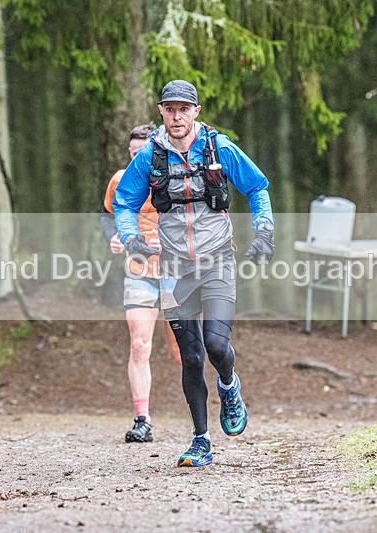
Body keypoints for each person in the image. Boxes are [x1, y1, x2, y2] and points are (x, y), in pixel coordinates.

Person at [112, 80, 275, 466]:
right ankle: (201, 440)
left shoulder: (218, 147)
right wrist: (131, 237)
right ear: (161, 112)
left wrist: (264, 230)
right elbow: (123, 201)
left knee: (217, 347)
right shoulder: (150, 155)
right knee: (191, 358)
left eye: (184, 109)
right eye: (170, 109)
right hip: (173, 269)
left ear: (196, 112)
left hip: (217, 260)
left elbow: (257, 187)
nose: (177, 116)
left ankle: (229, 383)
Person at [100, 123, 182, 443]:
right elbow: (108, 215)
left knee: (182, 349)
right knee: (138, 343)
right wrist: (115, 236)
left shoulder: (176, 175)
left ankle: (205, 407)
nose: (137, 158)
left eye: (142, 153)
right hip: (139, 271)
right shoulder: (121, 180)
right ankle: (142, 419)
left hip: (177, 271)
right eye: (132, 153)